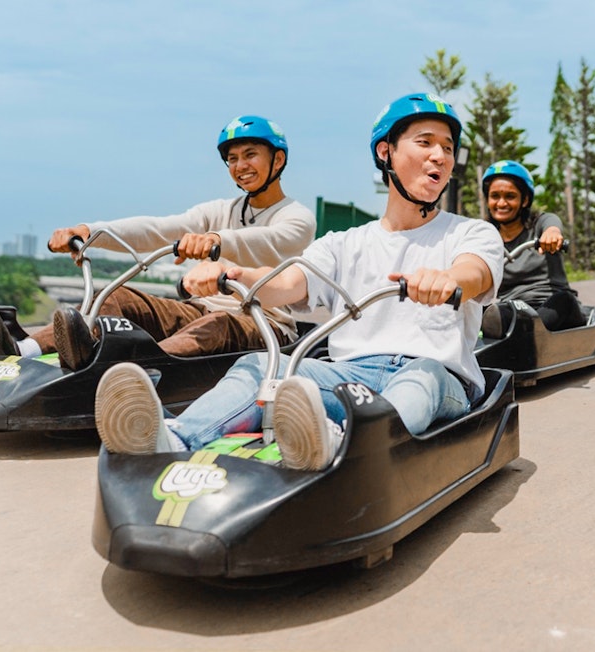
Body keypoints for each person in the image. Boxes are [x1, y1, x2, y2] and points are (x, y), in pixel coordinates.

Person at [92, 92, 503, 471]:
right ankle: (170, 439)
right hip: (350, 376)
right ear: (386, 153)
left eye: (447, 148)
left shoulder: (470, 233)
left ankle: (339, 447)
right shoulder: (344, 243)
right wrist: (233, 275)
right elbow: (288, 282)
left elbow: (475, 273)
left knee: (422, 378)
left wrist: (447, 279)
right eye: (425, 142)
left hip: (439, 379)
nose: (440, 157)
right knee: (259, 367)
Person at [0, 115, 316, 370]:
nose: (241, 166)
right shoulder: (218, 210)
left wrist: (215, 241)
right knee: (116, 298)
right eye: (233, 159)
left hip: (262, 324)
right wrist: (89, 231)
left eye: (251, 154)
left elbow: (268, 240)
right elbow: (159, 228)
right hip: (201, 310)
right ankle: (22, 349)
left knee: (213, 327)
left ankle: (136, 375)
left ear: (278, 159)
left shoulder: (297, 217)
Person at [479, 159, 584, 338]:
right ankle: (517, 333)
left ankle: (523, 334)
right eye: (495, 196)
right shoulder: (486, 237)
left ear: (525, 200)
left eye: (510, 196)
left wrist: (552, 234)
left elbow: (552, 223)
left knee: (564, 300)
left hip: (553, 304)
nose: (501, 203)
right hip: (515, 308)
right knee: (479, 308)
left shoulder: (539, 225)